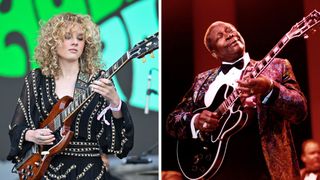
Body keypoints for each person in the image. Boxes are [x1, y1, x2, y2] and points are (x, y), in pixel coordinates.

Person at [166, 21, 308, 179]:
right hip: (215, 170)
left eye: (230, 30)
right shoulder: (202, 80)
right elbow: (172, 121)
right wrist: (196, 120)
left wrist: (270, 88)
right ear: (214, 53)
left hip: (265, 170)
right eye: (220, 35)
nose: (229, 34)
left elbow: (300, 111)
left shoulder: (277, 67)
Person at [7, 13, 134, 179]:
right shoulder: (36, 79)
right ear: (53, 42)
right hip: (45, 170)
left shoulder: (98, 79)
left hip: (89, 171)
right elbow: (16, 128)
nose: (75, 42)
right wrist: (32, 135)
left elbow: (118, 145)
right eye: (68, 37)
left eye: (80, 38)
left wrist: (116, 103)